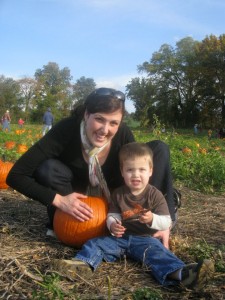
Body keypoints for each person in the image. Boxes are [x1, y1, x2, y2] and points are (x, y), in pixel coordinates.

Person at [6, 87, 176, 248]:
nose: (105, 130)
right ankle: (62, 220)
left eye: (113, 123)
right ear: (87, 115)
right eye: (99, 119)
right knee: (48, 168)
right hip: (75, 197)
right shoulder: (67, 129)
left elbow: (138, 168)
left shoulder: (122, 133)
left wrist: (164, 221)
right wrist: (59, 200)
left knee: (159, 149)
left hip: (115, 197)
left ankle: (162, 223)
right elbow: (16, 175)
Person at [52, 142, 214, 289]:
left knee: (159, 255)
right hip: (120, 239)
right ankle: (82, 265)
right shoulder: (119, 194)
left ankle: (182, 275)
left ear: (150, 171)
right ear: (122, 172)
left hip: (145, 239)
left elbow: (165, 222)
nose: (136, 175)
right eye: (130, 170)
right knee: (95, 243)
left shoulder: (154, 195)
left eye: (141, 170)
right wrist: (113, 225)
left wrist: (152, 220)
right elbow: (113, 214)